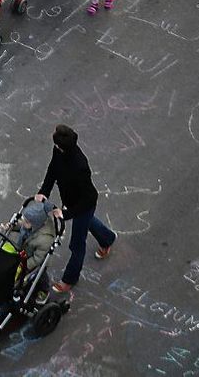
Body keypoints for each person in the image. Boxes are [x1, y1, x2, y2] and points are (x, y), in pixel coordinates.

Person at [34, 125, 117, 293]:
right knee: (89, 222)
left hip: (82, 205)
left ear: (65, 147)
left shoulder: (80, 166)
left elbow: (87, 199)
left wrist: (65, 214)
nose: (55, 148)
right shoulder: (59, 151)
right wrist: (44, 191)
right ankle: (107, 238)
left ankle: (69, 279)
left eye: (57, 146)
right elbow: (52, 170)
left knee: (77, 245)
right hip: (71, 200)